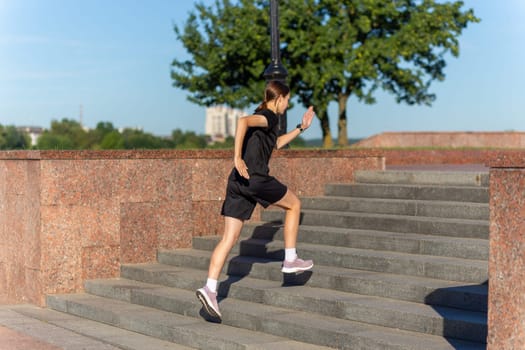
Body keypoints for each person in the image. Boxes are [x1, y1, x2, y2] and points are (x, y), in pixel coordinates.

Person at [196, 80, 315, 321]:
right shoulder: (268, 116)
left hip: (237, 183)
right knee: (295, 205)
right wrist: (237, 158)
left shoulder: (265, 119)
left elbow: (277, 144)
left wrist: (301, 128)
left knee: (228, 238)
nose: (288, 104)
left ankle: (210, 289)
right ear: (279, 98)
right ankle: (290, 260)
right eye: (288, 99)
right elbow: (242, 122)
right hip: (255, 179)